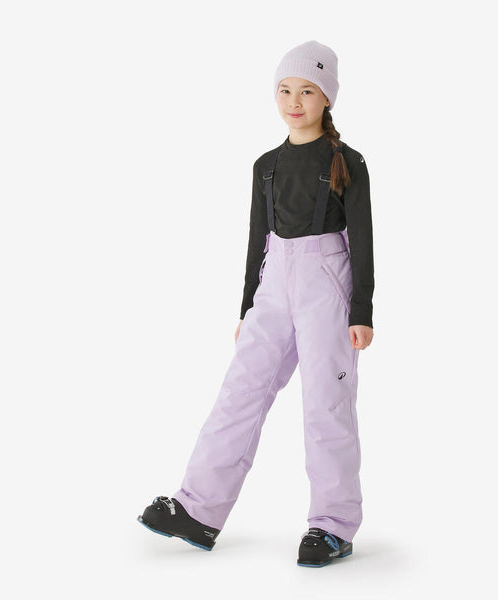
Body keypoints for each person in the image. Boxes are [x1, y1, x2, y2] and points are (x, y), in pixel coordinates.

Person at [137, 40, 375, 568]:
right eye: (285, 90)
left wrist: (362, 311)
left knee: (326, 402)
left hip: (327, 281)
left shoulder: (347, 161)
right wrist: (247, 308)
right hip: (273, 284)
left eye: (307, 91)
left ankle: (333, 525)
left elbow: (362, 237)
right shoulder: (265, 165)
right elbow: (255, 240)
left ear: (327, 98)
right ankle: (198, 509)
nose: (294, 101)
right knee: (239, 392)